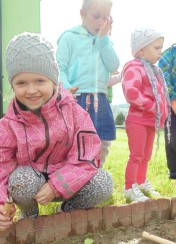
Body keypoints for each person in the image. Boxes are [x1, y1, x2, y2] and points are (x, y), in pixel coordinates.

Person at [0, 32, 113, 231]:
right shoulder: (7, 126)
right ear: (12, 86)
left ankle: (67, 213)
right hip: (32, 184)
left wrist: (58, 185)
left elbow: (87, 155)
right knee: (20, 180)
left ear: (54, 80)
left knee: (103, 182)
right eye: (21, 83)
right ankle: (29, 216)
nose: (31, 90)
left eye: (40, 81)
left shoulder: (75, 114)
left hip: (70, 181)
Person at [56, 0, 120, 167]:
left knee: (103, 139)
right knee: (77, 139)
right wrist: (66, 87)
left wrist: (103, 40)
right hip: (77, 97)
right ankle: (75, 171)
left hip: (100, 97)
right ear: (82, 13)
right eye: (96, 16)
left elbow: (113, 65)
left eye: (105, 17)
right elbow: (60, 68)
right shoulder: (69, 37)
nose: (100, 22)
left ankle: (96, 170)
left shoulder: (105, 41)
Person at [121, 27, 170, 202]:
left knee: (146, 156)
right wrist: (152, 106)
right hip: (138, 120)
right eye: (156, 48)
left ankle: (141, 183)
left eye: (161, 48)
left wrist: (162, 111)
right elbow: (131, 92)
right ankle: (129, 187)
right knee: (136, 155)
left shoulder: (154, 71)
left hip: (151, 122)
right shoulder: (134, 67)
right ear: (141, 50)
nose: (160, 52)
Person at [158, 44, 176, 182]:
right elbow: (163, 76)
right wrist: (173, 100)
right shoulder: (170, 53)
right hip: (173, 103)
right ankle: (175, 171)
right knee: (173, 138)